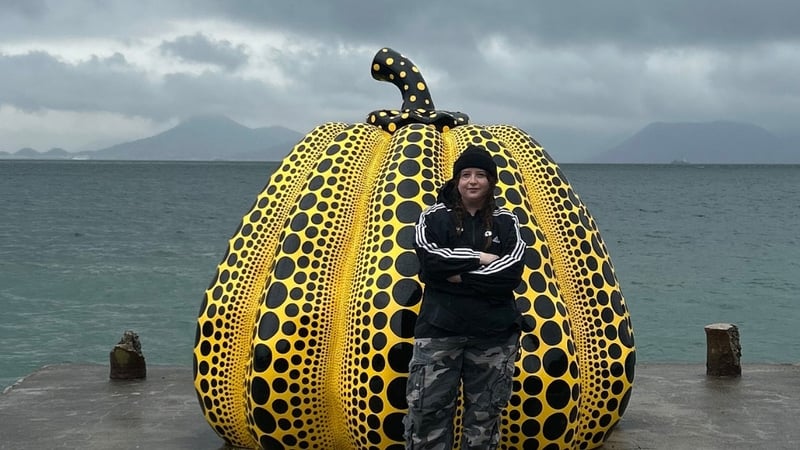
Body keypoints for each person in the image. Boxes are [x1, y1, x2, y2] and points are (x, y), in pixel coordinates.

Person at [404, 144, 526, 449]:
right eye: (466, 174)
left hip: (493, 335)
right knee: (427, 416)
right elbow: (430, 264)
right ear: (456, 180)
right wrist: (482, 259)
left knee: (484, 420)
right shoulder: (433, 218)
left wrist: (458, 276)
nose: (473, 181)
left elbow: (510, 273)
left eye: (480, 175)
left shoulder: (507, 221)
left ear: (491, 182)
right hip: (439, 333)